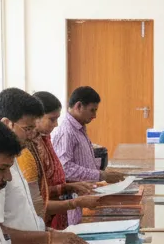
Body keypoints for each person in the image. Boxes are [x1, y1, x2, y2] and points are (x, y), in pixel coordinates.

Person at [0, 88, 90, 244]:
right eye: (27, 129)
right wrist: (48, 237)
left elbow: (25, 213)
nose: (32, 135)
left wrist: (47, 233)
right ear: (7, 124)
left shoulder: (14, 160)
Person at [51, 85, 127, 224]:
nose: (94, 116)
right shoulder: (66, 132)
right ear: (79, 106)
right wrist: (101, 175)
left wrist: (101, 172)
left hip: (85, 197)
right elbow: (65, 168)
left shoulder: (79, 128)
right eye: (92, 110)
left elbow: (82, 160)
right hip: (74, 201)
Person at [32, 89, 102, 230]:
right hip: (50, 214)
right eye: (52, 119)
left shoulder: (44, 138)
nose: (56, 124)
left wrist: (69, 187)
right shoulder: (66, 131)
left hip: (63, 205)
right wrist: (100, 175)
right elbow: (36, 199)